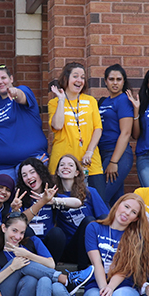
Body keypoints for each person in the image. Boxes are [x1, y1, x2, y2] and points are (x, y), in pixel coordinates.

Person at [0, 64, 48, 180]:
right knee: (6, 197)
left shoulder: (24, 90)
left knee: (33, 197)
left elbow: (21, 97)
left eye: (3, 78)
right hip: (3, 166)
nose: (0, 82)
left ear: (11, 79)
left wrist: (15, 92)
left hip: (31, 161)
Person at [48, 62, 105, 198]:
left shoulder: (91, 101)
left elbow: (98, 128)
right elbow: (57, 125)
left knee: (97, 201)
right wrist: (61, 100)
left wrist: (89, 152)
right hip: (62, 163)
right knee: (62, 204)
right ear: (66, 78)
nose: (79, 80)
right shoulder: (54, 103)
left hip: (90, 161)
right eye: (75, 76)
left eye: (82, 77)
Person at [53, 155, 109, 268]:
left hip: (92, 244)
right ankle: (82, 270)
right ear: (58, 172)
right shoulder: (54, 196)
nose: (65, 167)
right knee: (88, 220)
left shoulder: (89, 192)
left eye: (70, 165)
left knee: (92, 220)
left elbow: (105, 218)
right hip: (71, 248)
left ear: (77, 172)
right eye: (62, 165)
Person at [98, 64, 138, 206]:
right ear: (106, 81)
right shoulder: (104, 102)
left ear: (123, 81)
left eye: (119, 79)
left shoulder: (123, 100)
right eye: (111, 79)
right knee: (115, 201)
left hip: (118, 155)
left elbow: (126, 133)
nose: (115, 82)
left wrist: (114, 162)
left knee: (101, 198)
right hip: (103, 153)